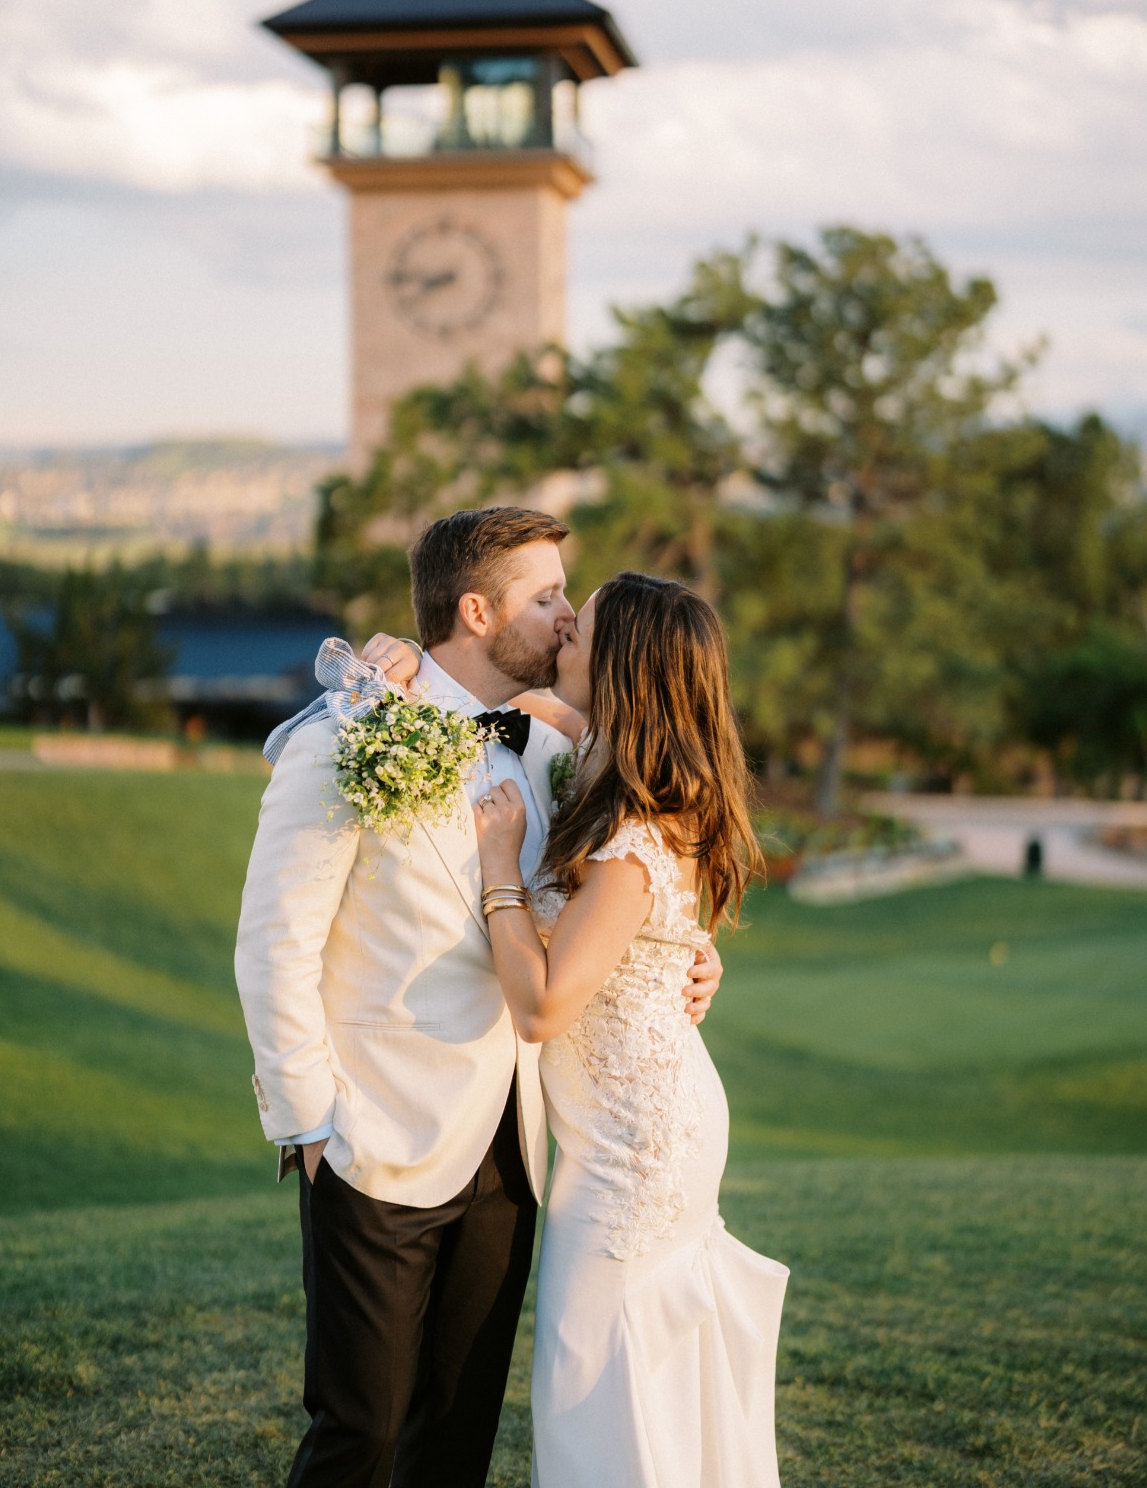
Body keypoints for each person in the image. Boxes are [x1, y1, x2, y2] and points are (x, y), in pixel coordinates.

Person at [233, 509, 722, 1488]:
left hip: (516, 1152)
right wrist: (310, 1129)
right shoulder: (352, 736)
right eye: (547, 598)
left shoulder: (553, 755)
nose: (564, 617)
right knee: (358, 1435)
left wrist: (687, 956)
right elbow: (272, 943)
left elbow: (613, 899)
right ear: (477, 610)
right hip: (376, 1140)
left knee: (453, 1439)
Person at [472, 571, 789, 1488]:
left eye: (584, 629)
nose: (564, 630)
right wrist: (402, 659)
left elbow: (541, 1007)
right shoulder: (607, 766)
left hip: (631, 1153)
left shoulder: (635, 830)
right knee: (628, 1380)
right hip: (645, 1115)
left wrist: (499, 865)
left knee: (591, 1380)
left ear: (623, 669)